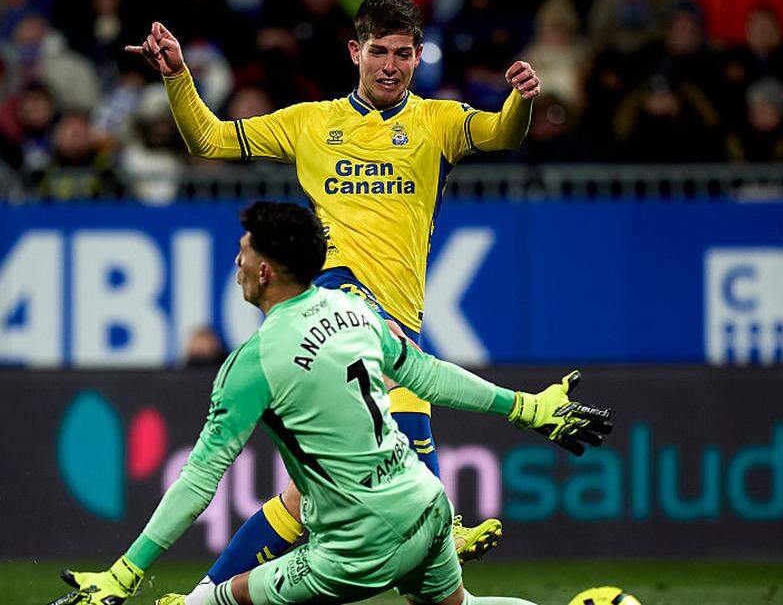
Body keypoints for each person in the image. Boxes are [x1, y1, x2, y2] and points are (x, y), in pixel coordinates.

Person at [125, 0, 541, 578]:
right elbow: (210, 142)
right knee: (388, 360)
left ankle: (204, 595)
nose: (390, 66)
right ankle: (440, 512)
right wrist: (178, 79)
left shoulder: (439, 123)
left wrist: (521, 102)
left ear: (419, 56)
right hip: (331, 305)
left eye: (402, 54)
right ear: (355, 52)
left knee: (307, 501)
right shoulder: (311, 122)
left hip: (398, 318)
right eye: (378, 52)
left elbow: (504, 134)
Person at [47, 201, 613, 605]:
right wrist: (527, 408)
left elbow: (200, 480)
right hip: (426, 505)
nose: (237, 262)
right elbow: (431, 376)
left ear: (264, 271)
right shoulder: (358, 311)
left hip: (357, 547)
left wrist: (126, 573)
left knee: (206, 603)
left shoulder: (253, 363)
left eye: (243, 253)